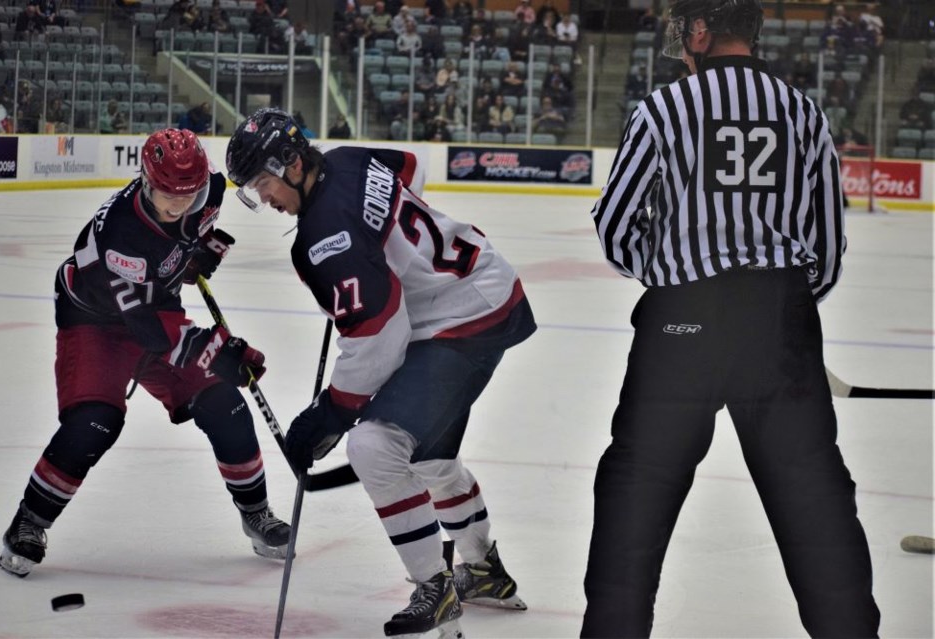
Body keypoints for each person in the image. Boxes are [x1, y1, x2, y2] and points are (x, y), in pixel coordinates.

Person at [580, 0, 881, 636]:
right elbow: (825, 243)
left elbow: (615, 225)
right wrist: (784, 303)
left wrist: (666, 276)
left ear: (699, 30)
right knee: (813, 497)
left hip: (680, 324)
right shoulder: (800, 110)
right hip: (777, 320)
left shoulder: (665, 108)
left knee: (636, 493)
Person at [226, 108, 536, 638]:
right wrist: (381, 249)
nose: (266, 200)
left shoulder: (325, 237)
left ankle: (433, 589)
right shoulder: (346, 159)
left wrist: (332, 411)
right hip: (483, 289)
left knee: (374, 446)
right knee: (431, 457)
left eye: (263, 183)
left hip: (463, 321)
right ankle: (485, 572)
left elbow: (379, 336)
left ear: (294, 164)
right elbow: (411, 169)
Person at [0, 129, 292, 578]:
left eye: (189, 196)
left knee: (225, 404)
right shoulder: (120, 234)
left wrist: (198, 253)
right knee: (95, 420)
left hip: (154, 309)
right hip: (96, 322)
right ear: (146, 182)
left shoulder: (210, 188)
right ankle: (29, 522)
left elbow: (191, 239)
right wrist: (220, 351)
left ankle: (257, 514)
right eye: (168, 196)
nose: (179, 206)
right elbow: (151, 333)